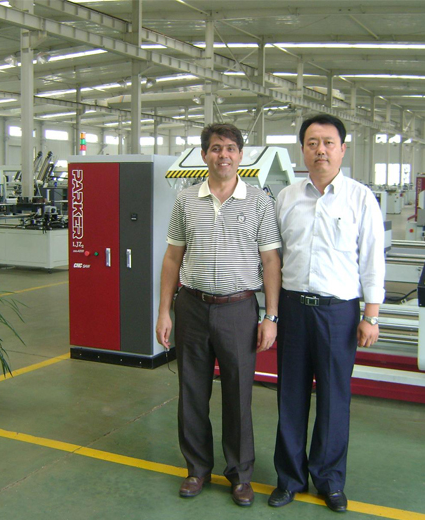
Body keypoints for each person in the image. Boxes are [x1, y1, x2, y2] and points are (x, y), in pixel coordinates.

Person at [156, 123, 281, 507]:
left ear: (241, 155)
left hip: (238, 309)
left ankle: (240, 475)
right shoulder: (186, 200)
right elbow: (172, 257)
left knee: (238, 394)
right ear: (204, 155)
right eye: (215, 148)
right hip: (191, 307)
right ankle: (197, 469)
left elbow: (271, 261)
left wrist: (271, 316)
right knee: (192, 391)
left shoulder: (259, 202)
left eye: (229, 148)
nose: (222, 155)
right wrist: (164, 311)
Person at [268, 114, 385, 512]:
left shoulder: (360, 198)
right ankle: (289, 478)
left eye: (328, 143)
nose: (321, 150)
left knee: (335, 399)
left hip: (339, 313)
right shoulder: (286, 198)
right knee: (291, 396)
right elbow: (274, 259)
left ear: (342, 149)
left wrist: (371, 315)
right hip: (294, 309)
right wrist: (271, 313)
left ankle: (330, 480)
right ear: (302, 149)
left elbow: (372, 259)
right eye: (312, 143)